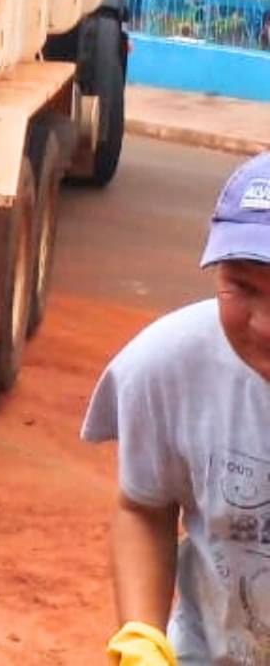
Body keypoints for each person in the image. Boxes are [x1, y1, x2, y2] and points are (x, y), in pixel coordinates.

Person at [83, 151, 270, 665]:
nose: (266, 326)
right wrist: (142, 634)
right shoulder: (169, 364)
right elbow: (144, 507)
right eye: (244, 287)